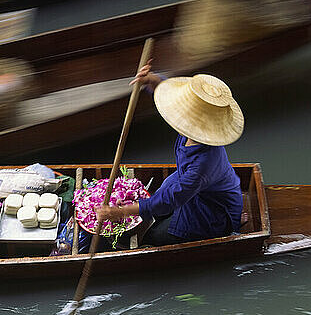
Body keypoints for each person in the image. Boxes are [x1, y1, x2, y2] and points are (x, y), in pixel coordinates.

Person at [96, 62, 244, 245]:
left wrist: (120, 212)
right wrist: (155, 81)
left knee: (153, 237)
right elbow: (173, 97)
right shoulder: (192, 130)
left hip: (210, 211)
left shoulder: (202, 165)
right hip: (196, 189)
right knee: (163, 190)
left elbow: (169, 200)